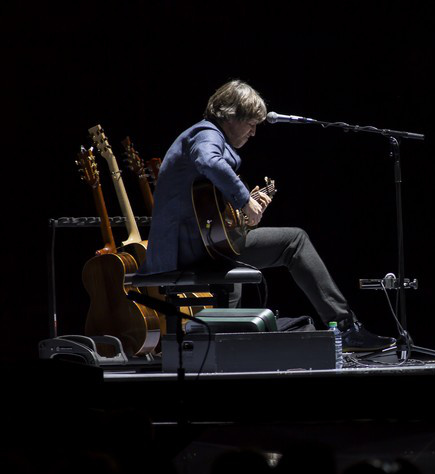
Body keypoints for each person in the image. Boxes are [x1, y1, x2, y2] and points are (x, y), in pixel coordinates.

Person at [142, 79, 396, 352]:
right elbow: (209, 162)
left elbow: (208, 210)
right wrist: (245, 200)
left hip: (192, 247)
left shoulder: (202, 136)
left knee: (237, 266)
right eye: (250, 124)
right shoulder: (206, 134)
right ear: (230, 116)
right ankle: (345, 328)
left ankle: (227, 344)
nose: (253, 133)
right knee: (294, 241)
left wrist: (241, 210)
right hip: (185, 249)